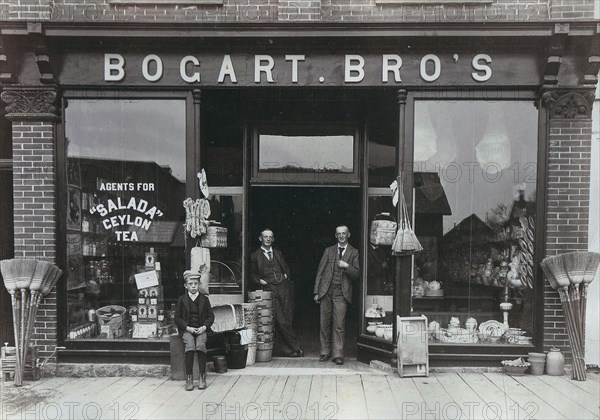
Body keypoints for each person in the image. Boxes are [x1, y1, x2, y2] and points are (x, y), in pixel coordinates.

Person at [250, 228, 303, 357]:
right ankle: (296, 347)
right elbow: (251, 274)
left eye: (270, 237)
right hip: (269, 289)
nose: (268, 239)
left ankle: (287, 350)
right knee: (280, 320)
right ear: (260, 238)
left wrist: (286, 276)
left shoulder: (278, 253)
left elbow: (286, 268)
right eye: (265, 236)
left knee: (287, 319)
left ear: (272, 239)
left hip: (283, 288)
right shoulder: (255, 256)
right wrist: (260, 281)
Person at [314, 225, 359, 365]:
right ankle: (324, 352)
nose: (341, 236)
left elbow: (357, 274)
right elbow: (320, 272)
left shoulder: (354, 252)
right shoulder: (329, 251)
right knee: (324, 323)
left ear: (348, 235)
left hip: (341, 293)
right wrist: (316, 292)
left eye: (344, 233)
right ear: (335, 235)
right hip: (326, 291)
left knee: (339, 324)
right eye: (338, 234)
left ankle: (338, 354)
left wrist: (347, 266)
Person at [175, 267, 214, 391]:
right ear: (186, 286)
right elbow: (177, 318)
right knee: (190, 347)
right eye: (190, 284)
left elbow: (210, 316)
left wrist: (204, 327)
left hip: (201, 329)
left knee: (201, 346)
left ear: (199, 284)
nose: (193, 286)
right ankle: (189, 378)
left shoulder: (204, 299)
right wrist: (188, 328)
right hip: (188, 330)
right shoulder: (181, 300)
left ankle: (202, 377)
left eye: (195, 284)